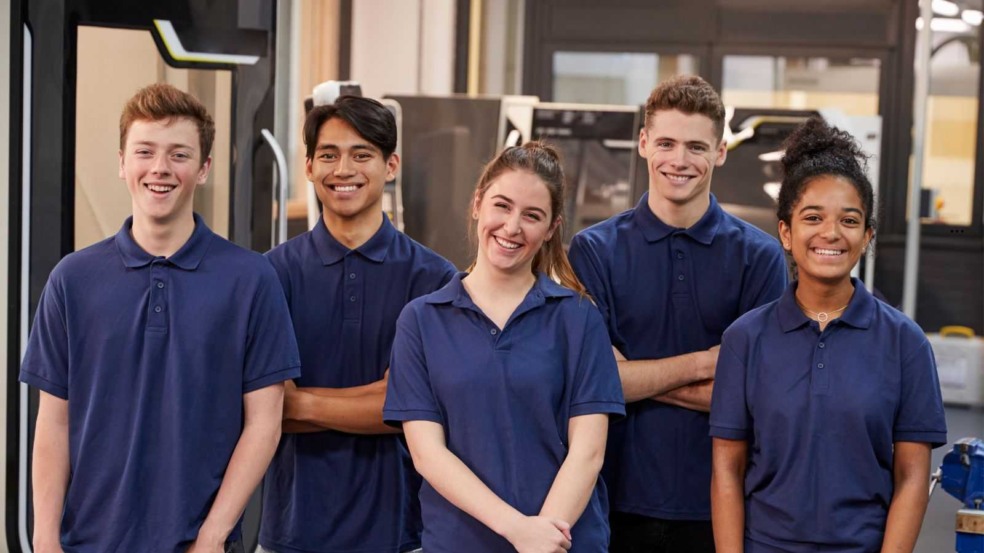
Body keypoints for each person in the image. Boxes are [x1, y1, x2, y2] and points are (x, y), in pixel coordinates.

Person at [21, 83, 300, 553]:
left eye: (179, 155)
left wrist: (212, 536)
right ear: (122, 163)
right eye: (145, 151)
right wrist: (45, 539)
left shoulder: (251, 279)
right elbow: (54, 424)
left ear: (204, 168)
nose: (160, 168)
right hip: (87, 543)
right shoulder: (72, 280)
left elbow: (264, 423)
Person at [567, 75, 788, 552]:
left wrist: (633, 378)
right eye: (666, 143)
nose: (679, 161)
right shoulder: (593, 251)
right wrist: (707, 363)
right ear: (644, 143)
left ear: (720, 151)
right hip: (612, 500)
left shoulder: (760, 257)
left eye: (696, 147)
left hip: (723, 505)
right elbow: (593, 383)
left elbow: (757, 395)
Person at [709, 117, 947, 553]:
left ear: (867, 236)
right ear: (786, 232)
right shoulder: (745, 339)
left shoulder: (906, 343)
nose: (831, 233)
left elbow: (912, 477)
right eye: (813, 217)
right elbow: (727, 469)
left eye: (849, 220)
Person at [383, 142, 625, 552]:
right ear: (478, 203)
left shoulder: (578, 318)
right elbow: (428, 454)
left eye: (532, 215)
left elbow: (588, 451)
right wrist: (518, 530)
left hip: (562, 542)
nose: (512, 227)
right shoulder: (421, 321)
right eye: (502, 206)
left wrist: (543, 539)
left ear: (551, 228)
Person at [259, 95, 456, 553]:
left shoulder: (434, 278)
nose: (343, 169)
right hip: (291, 532)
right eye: (329, 155)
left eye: (361, 154)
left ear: (391, 166)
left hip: (401, 535)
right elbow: (263, 409)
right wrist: (375, 400)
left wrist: (300, 403)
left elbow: (412, 410)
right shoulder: (268, 275)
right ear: (309, 167)